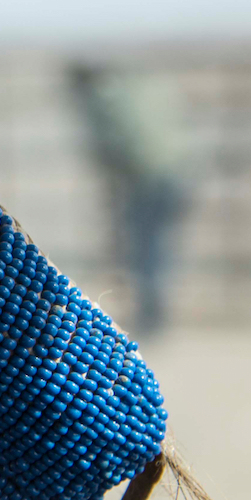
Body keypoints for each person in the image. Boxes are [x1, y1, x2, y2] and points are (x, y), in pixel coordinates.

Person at [68, 62, 194, 337]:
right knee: (154, 247)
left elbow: (119, 145)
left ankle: (152, 317)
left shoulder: (104, 100)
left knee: (148, 248)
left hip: (150, 177)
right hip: (176, 168)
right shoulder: (133, 86)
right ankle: (152, 313)